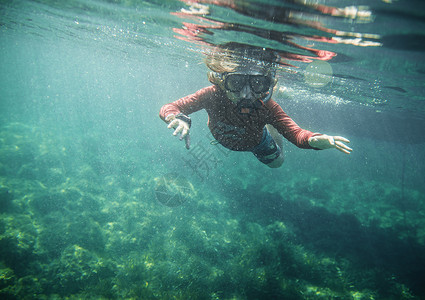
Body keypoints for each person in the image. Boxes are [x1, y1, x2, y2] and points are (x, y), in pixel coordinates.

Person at [159, 43, 352, 168]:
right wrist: (176, 118)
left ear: (266, 85)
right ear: (221, 81)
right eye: (236, 83)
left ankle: (269, 128)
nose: (246, 94)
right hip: (231, 137)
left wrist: (313, 140)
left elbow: (296, 134)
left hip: (258, 143)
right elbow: (170, 107)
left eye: (257, 84)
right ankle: (268, 121)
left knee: (278, 163)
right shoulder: (211, 95)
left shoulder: (267, 107)